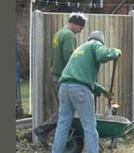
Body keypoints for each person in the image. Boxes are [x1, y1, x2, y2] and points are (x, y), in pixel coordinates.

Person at [51, 31, 122, 153]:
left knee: (63, 124)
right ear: (101, 41)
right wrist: (115, 52)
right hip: (79, 89)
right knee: (89, 127)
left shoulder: (80, 49)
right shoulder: (95, 44)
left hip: (64, 87)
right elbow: (102, 55)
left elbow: (78, 76)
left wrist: (102, 90)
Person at [33, 12, 87, 144]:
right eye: (81, 28)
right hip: (63, 77)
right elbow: (69, 57)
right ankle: (44, 131)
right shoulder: (69, 35)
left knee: (64, 108)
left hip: (55, 74)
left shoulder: (59, 33)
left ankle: (52, 135)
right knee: (66, 109)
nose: (81, 31)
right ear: (75, 24)